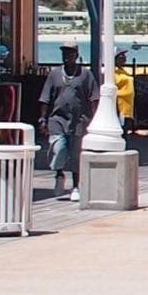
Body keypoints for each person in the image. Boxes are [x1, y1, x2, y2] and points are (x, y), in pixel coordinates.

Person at [39, 45, 97, 201]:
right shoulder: (54, 74)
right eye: (64, 53)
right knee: (59, 148)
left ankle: (76, 186)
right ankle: (58, 174)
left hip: (79, 120)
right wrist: (43, 118)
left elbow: (93, 98)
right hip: (57, 119)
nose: (66, 56)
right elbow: (45, 98)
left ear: (76, 55)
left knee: (76, 154)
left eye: (70, 53)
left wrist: (93, 119)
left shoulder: (85, 74)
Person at [113, 51, 137, 138]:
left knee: (125, 128)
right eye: (121, 56)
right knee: (121, 130)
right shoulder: (113, 72)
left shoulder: (123, 71)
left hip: (127, 106)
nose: (124, 58)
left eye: (124, 56)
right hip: (119, 105)